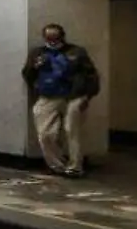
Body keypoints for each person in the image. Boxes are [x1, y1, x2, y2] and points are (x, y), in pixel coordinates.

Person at [22, 23, 100, 178]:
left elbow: (91, 75)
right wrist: (36, 83)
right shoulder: (38, 53)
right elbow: (27, 73)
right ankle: (57, 165)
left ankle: (75, 166)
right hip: (48, 95)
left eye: (55, 36)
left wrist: (87, 95)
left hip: (74, 95)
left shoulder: (76, 52)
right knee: (45, 134)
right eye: (49, 37)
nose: (52, 40)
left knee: (72, 130)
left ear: (62, 36)